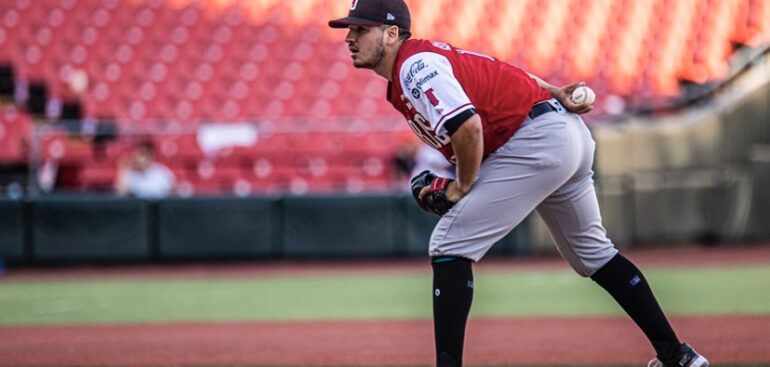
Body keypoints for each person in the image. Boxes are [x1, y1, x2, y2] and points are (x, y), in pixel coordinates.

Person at [328, 1, 709, 367]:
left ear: (392, 33)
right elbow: (500, 71)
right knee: (594, 255)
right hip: (560, 134)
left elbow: (468, 127)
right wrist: (554, 92)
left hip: (535, 140)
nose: (350, 37)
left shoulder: (414, 67)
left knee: (449, 244)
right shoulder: (421, 62)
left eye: (361, 29)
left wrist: (460, 188)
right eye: (351, 29)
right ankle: (679, 356)